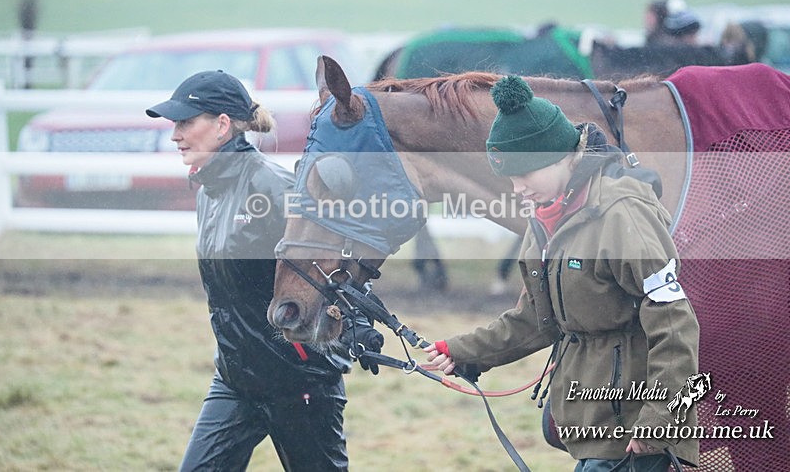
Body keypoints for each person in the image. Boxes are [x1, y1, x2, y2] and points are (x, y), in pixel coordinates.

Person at [424, 75, 700, 471]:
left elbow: (675, 323)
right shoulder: (543, 224)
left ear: (561, 157)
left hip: (637, 431)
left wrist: (661, 418)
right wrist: (460, 350)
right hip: (591, 423)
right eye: (511, 179)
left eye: (525, 175)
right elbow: (537, 320)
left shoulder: (622, 213)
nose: (518, 189)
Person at [146, 70, 382, 471]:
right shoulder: (209, 191)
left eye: (186, 122)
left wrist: (355, 321)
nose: (175, 134)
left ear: (222, 125)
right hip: (236, 382)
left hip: (298, 382)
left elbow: (331, 260)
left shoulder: (272, 188)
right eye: (174, 124)